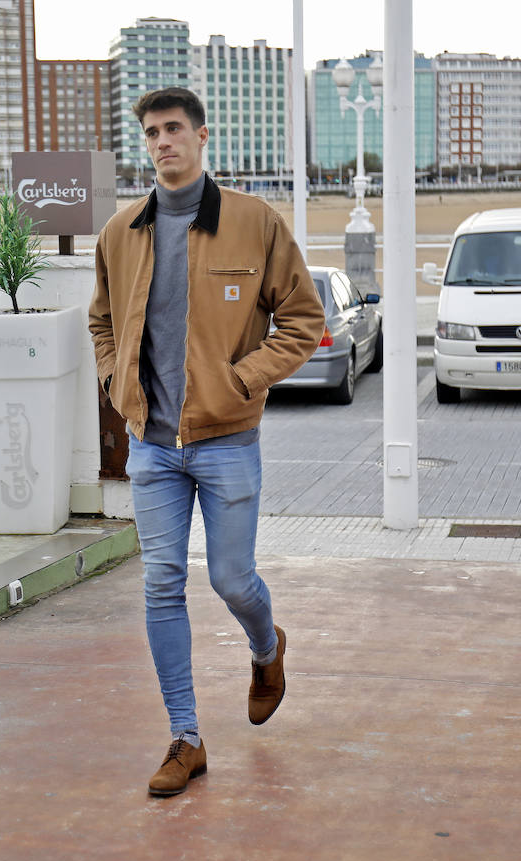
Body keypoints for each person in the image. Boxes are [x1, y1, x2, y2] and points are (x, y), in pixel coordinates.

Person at [88, 87, 323, 797]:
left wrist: (242, 381)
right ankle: (186, 739)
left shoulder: (254, 223)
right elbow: (100, 322)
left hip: (227, 441)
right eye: (152, 133)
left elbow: (303, 321)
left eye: (173, 130)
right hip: (153, 448)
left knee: (230, 579)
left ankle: (265, 645)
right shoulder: (120, 232)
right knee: (162, 583)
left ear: (201, 136)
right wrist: (113, 383)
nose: (162, 142)